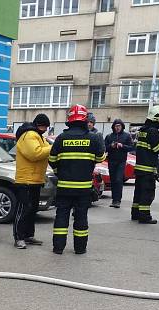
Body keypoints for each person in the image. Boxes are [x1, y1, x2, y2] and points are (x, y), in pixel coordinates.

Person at [48, 104, 106, 255]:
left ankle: (58, 248)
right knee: (81, 218)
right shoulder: (93, 138)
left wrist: (58, 172)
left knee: (61, 217)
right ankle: (80, 248)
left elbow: (52, 159)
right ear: (85, 120)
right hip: (84, 188)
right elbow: (100, 157)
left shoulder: (61, 138)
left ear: (70, 120)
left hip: (64, 187)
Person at [12, 114, 52, 249]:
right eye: (43, 126)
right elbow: (35, 154)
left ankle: (28, 235)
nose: (45, 129)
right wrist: (52, 147)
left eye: (47, 127)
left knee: (32, 209)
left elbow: (45, 151)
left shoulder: (39, 136)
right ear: (37, 125)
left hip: (36, 179)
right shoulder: (29, 135)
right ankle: (19, 238)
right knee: (23, 209)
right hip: (26, 180)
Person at [131, 105, 159, 224]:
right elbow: (158, 149)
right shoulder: (153, 131)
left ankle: (135, 214)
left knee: (138, 192)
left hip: (140, 168)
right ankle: (144, 217)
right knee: (147, 193)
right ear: (157, 118)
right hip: (147, 169)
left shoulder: (143, 131)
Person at [103, 119, 134, 208]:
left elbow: (131, 147)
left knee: (118, 180)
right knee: (113, 180)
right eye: (116, 126)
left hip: (121, 161)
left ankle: (118, 200)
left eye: (119, 126)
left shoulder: (126, 136)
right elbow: (104, 148)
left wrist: (122, 146)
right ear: (113, 127)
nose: (117, 128)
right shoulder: (109, 136)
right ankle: (114, 200)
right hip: (111, 161)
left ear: (122, 126)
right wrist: (111, 146)